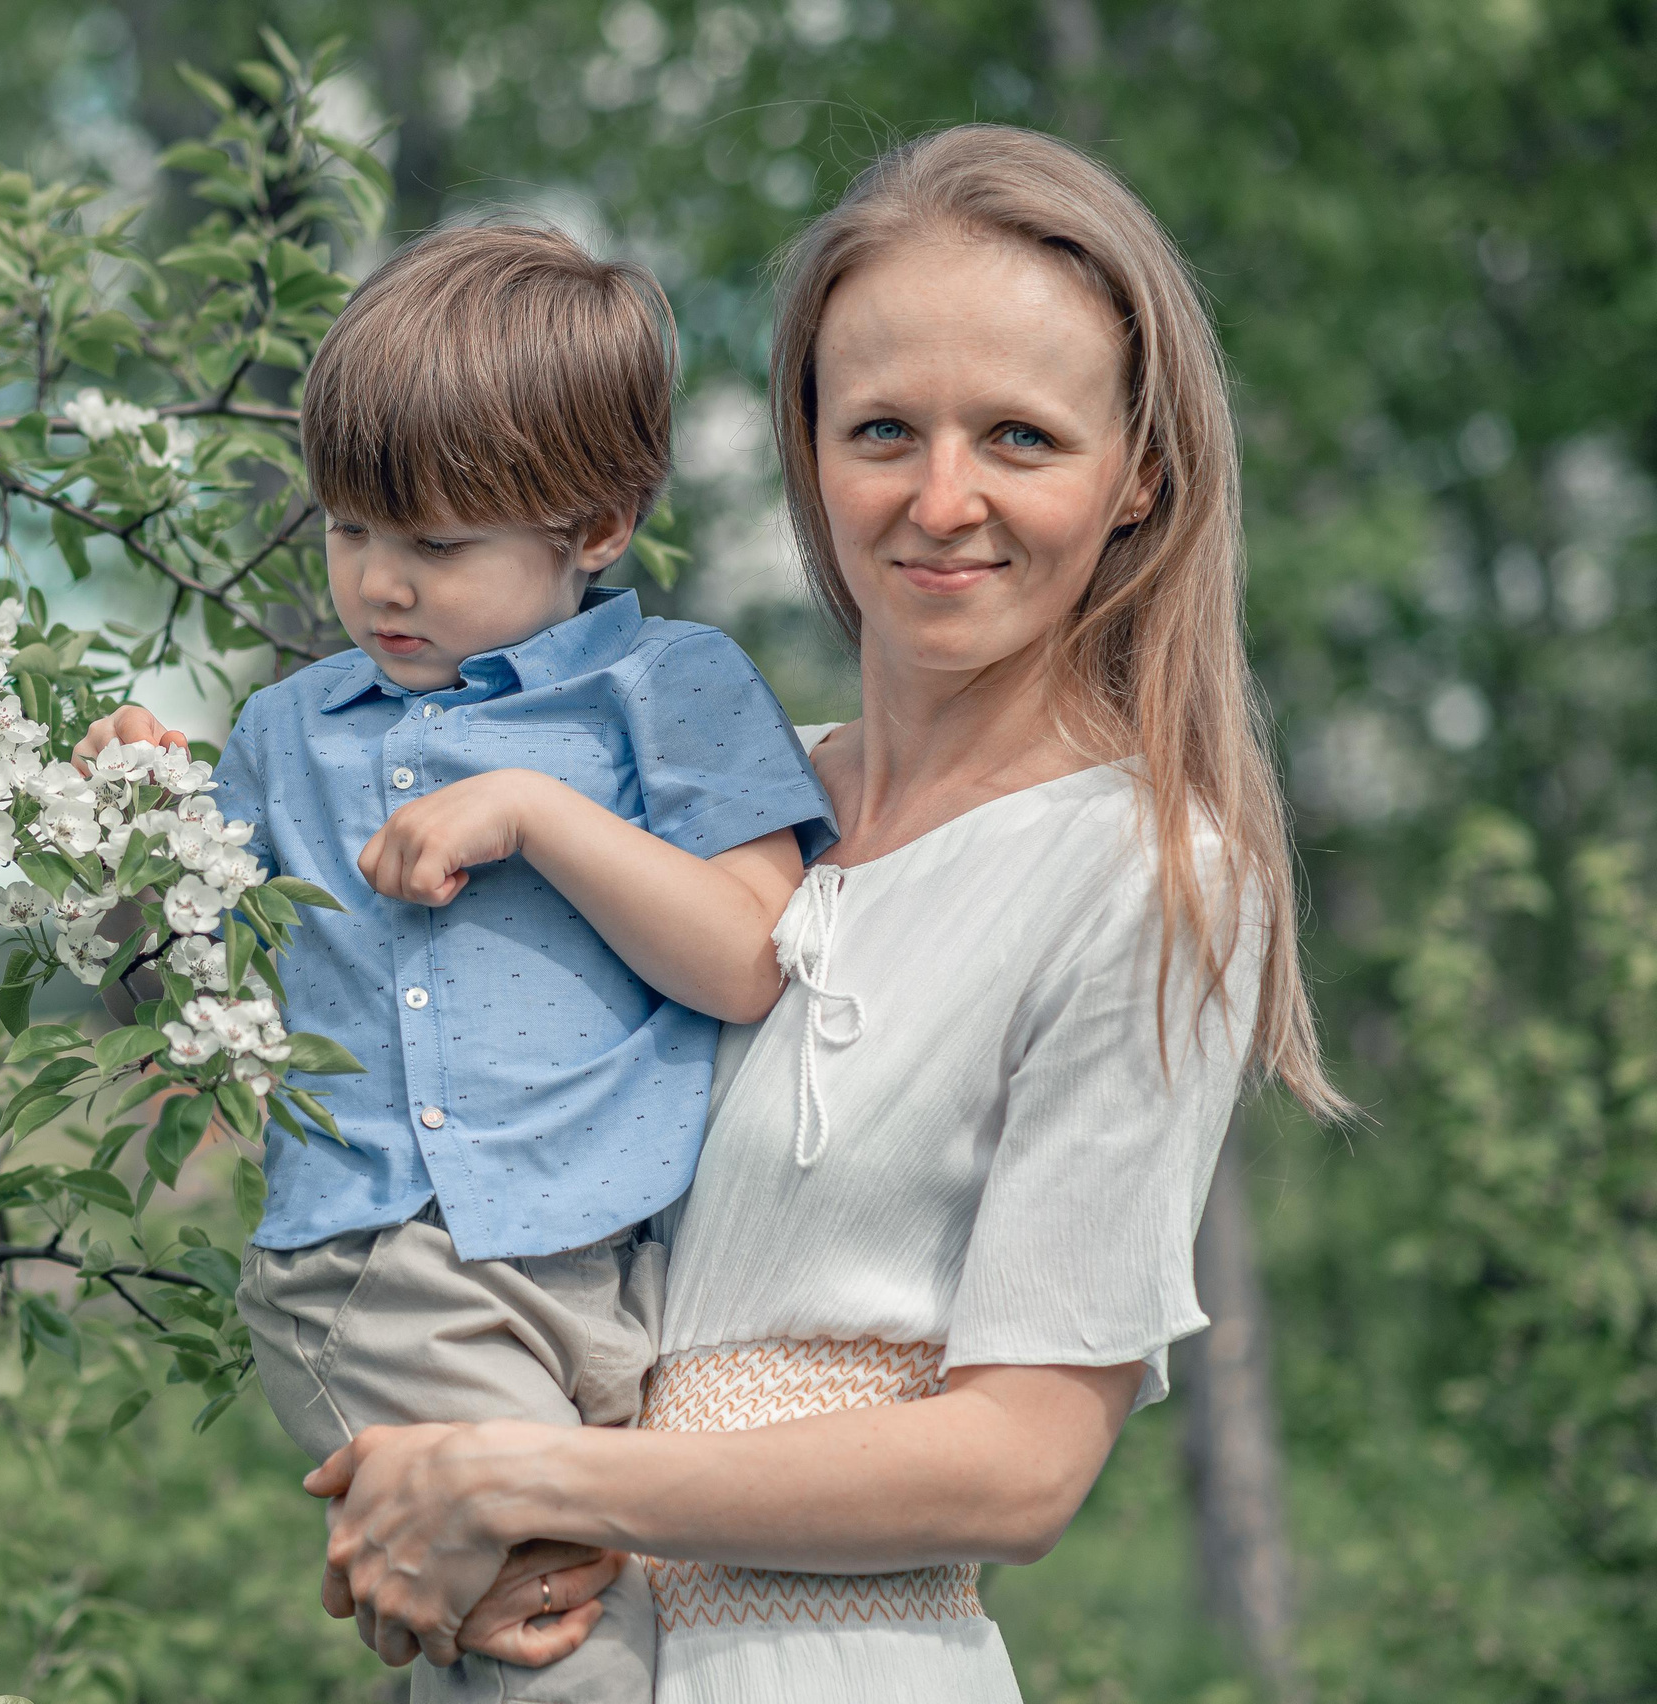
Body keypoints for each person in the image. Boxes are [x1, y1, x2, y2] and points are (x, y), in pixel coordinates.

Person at [300, 125, 1351, 1703]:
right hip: (549, 1649)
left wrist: (517, 1482)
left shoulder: (1149, 872)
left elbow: (1017, 1469)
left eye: (1019, 437)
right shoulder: (683, 813)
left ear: (1140, 474)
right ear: (805, 451)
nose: (942, 500)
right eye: (882, 430)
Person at [77, 222, 837, 1703]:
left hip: (619, 1271)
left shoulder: (671, 692)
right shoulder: (286, 733)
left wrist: (540, 816)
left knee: (574, 1648)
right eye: (348, 530)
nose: (380, 584)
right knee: (580, 1669)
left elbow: (749, 958)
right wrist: (133, 848)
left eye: (435, 545)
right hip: (390, 1260)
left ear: (597, 524)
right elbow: (190, 990)